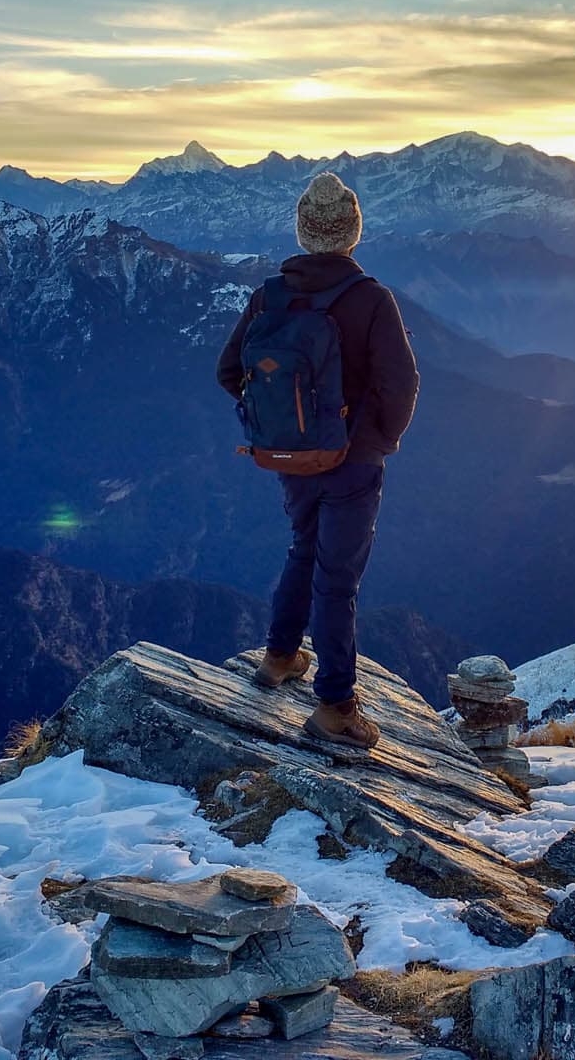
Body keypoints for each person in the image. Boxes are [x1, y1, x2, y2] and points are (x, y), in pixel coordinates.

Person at [216, 172, 419, 748]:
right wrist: (378, 439)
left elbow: (230, 373)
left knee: (303, 547)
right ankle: (335, 708)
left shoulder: (270, 296)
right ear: (353, 232)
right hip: (352, 462)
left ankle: (279, 657)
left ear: (303, 232)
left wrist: (278, 423)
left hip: (289, 455)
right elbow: (401, 385)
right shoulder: (371, 299)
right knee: (338, 579)